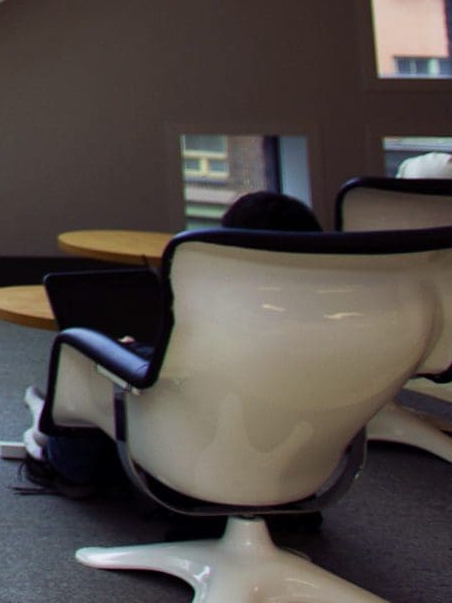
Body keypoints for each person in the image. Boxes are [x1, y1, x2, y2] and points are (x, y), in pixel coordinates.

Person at [20, 190, 323, 496]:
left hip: (193, 465)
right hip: (297, 471)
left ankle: (42, 427)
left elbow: (188, 385)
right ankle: (45, 415)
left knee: (93, 361)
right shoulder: (337, 327)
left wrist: (127, 353)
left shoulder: (218, 313)